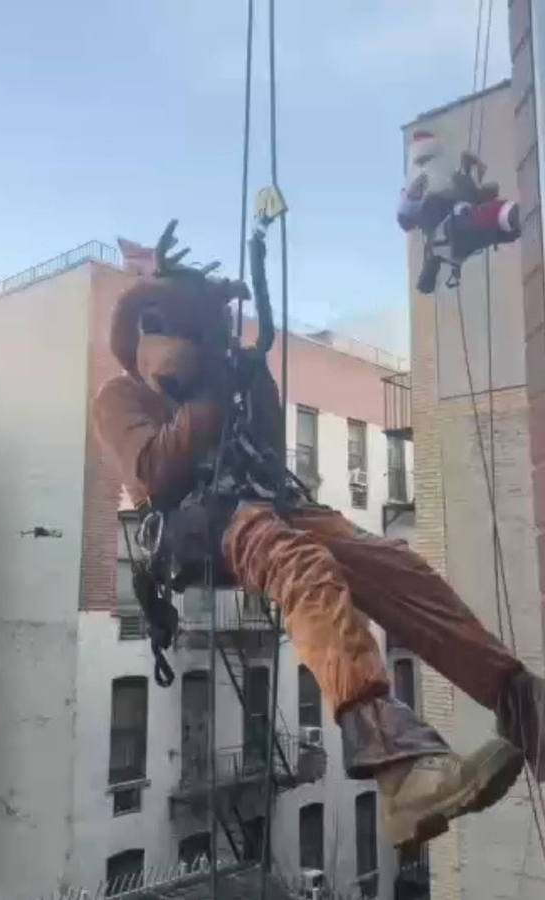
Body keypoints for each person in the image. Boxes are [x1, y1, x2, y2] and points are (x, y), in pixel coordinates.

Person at [89, 237, 544, 851]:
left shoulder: (223, 378)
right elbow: (152, 471)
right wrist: (208, 395)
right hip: (205, 524)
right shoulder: (122, 397)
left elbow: (269, 452)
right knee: (304, 569)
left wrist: (249, 381)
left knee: (395, 567)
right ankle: (397, 768)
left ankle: (521, 700)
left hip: (274, 504)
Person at [396, 129, 521, 293]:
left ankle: (520, 220)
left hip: (454, 237)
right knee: (501, 218)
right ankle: (520, 218)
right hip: (454, 230)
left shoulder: (446, 185)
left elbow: (405, 219)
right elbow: (405, 217)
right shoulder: (436, 189)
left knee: (503, 225)